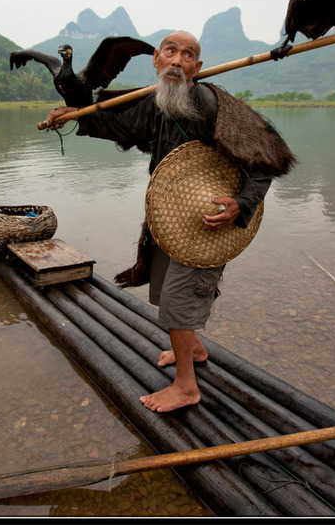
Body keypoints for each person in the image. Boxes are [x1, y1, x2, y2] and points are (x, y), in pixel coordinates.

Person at [45, 31, 295, 412]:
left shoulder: (208, 102)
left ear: (197, 67)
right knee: (164, 288)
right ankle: (193, 349)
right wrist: (75, 116)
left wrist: (241, 204)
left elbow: (268, 153)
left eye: (188, 55)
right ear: (156, 60)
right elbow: (117, 125)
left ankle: (186, 387)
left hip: (209, 218)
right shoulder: (157, 103)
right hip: (174, 217)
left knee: (178, 299)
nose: (178, 60)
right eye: (171, 51)